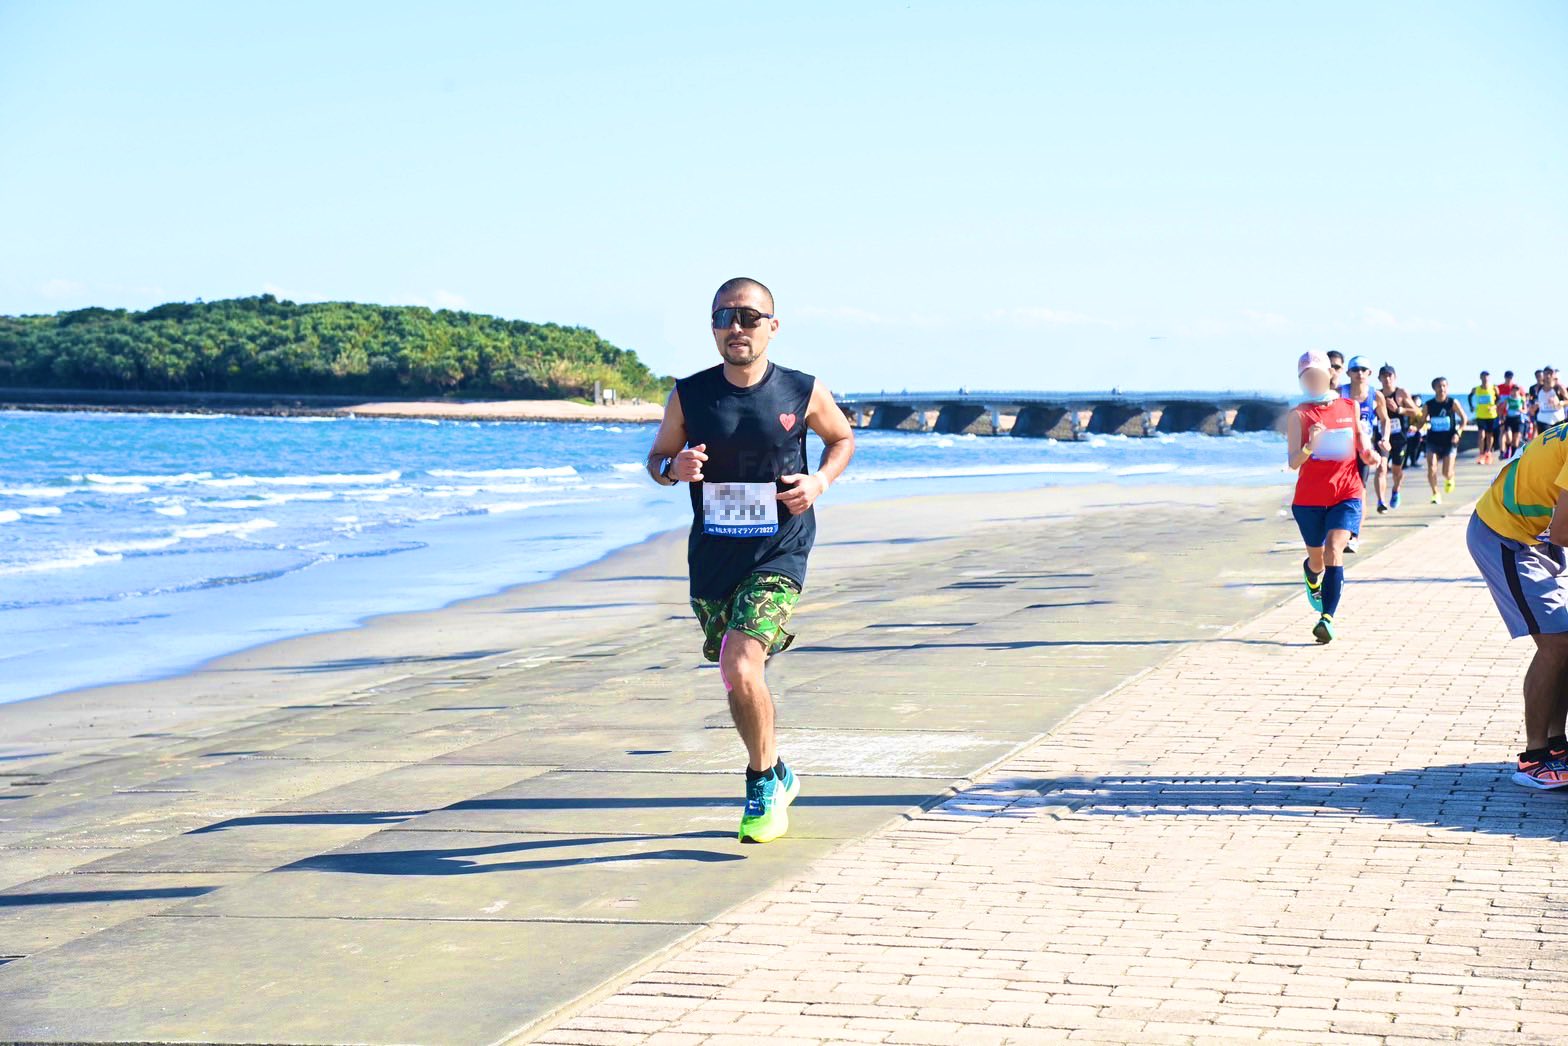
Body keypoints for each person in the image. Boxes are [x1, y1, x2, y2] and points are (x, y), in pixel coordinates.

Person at [646, 277, 855, 843]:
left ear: (772, 326)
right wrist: (675, 469)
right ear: (712, 327)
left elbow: (841, 440)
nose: (736, 327)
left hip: (780, 548)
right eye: (724, 317)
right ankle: (778, 770)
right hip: (713, 557)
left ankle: (760, 782)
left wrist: (818, 483)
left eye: (748, 317)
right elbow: (658, 458)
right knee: (737, 677)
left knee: (740, 663)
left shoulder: (802, 390)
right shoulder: (689, 395)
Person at [1467, 422, 1568, 788]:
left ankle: (1558, 747)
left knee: (1564, 640)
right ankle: (1535, 757)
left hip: (1535, 537)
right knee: (1556, 644)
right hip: (1504, 536)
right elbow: (1564, 532)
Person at [1289, 350, 1381, 644]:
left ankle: (1326, 619)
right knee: (1317, 562)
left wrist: (1369, 454)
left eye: (1317, 374)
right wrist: (1309, 446)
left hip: (1347, 493)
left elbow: (1361, 442)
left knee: (1333, 549)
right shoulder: (1299, 415)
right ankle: (1311, 574)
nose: (1313, 381)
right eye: (1307, 378)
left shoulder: (1349, 406)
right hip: (1309, 501)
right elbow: (1293, 462)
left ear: (1330, 374)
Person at [1337, 356, 1390, 547]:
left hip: (1364, 449)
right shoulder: (1339, 393)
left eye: (1364, 370)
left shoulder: (1375, 396)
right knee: (1339, 492)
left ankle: (1354, 536)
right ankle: (1337, 529)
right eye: (1355, 369)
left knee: (1360, 490)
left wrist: (1385, 438)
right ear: (1349, 373)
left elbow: (1385, 420)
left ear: (1369, 374)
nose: (1360, 373)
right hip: (1341, 449)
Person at [1378, 364, 1419, 508]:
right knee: (1381, 467)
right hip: (1382, 437)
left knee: (1396, 470)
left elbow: (1415, 411)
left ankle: (1396, 490)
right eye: (1384, 376)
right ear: (1379, 378)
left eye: (1390, 376)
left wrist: (1398, 409)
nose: (1387, 379)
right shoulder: (1377, 395)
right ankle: (1381, 501)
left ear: (1395, 378)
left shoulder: (1400, 393)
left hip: (1399, 438)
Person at [1421, 377, 1466, 503]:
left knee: (1446, 472)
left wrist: (1458, 432)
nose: (1442, 389)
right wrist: (1415, 427)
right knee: (1432, 467)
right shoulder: (1429, 405)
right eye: (1439, 386)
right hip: (1433, 440)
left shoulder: (1452, 403)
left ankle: (1450, 477)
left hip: (1449, 441)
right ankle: (1435, 494)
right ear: (1434, 388)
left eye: (1444, 386)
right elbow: (1422, 420)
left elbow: (1464, 419)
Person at [1469, 371, 1501, 465]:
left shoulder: (1494, 388)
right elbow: (1469, 397)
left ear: (1489, 378)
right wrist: (1471, 406)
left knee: (1489, 435)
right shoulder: (1476, 389)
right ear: (1480, 378)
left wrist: (1495, 406)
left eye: (1487, 377)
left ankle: (1488, 453)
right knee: (1481, 435)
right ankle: (1481, 454)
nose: (1485, 379)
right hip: (1480, 415)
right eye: (1483, 377)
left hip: (1491, 415)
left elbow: (1499, 399)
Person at [1498, 370, 1526, 460]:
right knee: (1508, 438)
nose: (1515, 392)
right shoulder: (1508, 398)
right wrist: (1501, 417)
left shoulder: (1521, 399)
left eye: (1517, 390)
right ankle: (1504, 451)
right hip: (1508, 418)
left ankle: (1512, 456)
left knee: (1516, 440)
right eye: (1514, 390)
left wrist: (1521, 410)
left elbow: (1526, 409)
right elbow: (1502, 408)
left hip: (1518, 419)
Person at [1536, 367, 1566, 431]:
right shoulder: (1538, 388)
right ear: (1543, 375)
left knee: (1558, 441)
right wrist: (1535, 406)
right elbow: (1538, 402)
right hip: (1543, 420)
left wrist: (1561, 403)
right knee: (1545, 440)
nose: (1548, 376)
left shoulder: (1559, 387)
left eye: (1550, 373)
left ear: (1554, 375)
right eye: (1546, 373)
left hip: (1557, 420)